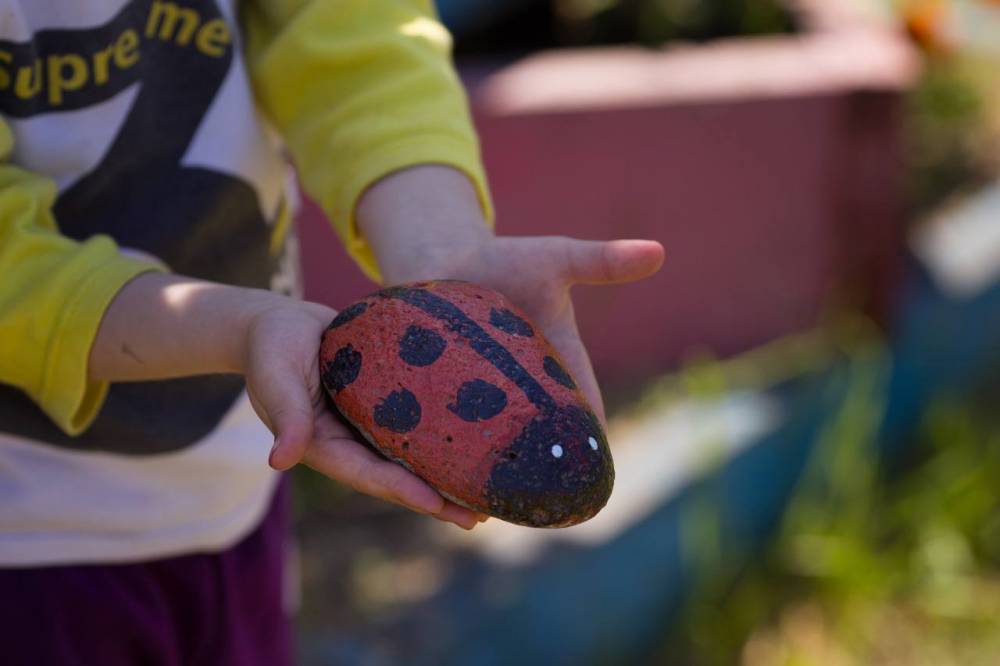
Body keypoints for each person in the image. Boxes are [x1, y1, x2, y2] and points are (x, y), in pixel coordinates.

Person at [0, 1, 664, 663]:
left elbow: (342, 20)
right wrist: (236, 329)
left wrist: (439, 246)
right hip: (31, 539)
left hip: (237, 481)